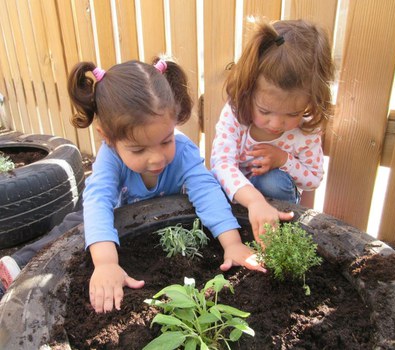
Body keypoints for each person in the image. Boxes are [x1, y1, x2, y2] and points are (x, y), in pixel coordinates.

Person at [0, 57, 266, 310]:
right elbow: (99, 202)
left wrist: (231, 243)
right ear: (108, 138)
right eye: (138, 150)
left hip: (159, 217)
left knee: (209, 204)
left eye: (165, 141)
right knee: (75, 227)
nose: (156, 159)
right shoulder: (110, 158)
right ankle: (16, 265)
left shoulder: (183, 151)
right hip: (116, 213)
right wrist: (105, 264)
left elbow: (206, 191)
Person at [210, 19, 335, 243]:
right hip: (238, 196)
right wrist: (254, 201)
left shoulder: (305, 130)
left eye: (292, 113)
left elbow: (313, 179)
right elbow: (221, 164)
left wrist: (283, 160)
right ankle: (229, 229)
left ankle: (275, 236)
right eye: (265, 111)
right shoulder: (237, 113)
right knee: (207, 185)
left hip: (274, 205)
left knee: (272, 181)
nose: (276, 124)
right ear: (249, 89)